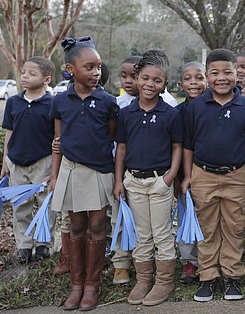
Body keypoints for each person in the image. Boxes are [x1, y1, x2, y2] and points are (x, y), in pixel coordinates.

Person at [182, 49, 245, 302]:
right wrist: (187, 176)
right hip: (202, 175)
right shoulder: (196, 107)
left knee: (234, 227)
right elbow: (188, 145)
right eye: (215, 73)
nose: (222, 78)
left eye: (228, 72)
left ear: (237, 74)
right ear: (207, 76)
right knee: (207, 228)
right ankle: (208, 277)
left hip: (236, 176)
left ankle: (231, 277)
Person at [48, 36, 119, 311]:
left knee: (98, 226)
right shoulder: (60, 101)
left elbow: (111, 139)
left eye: (98, 67)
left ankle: (92, 285)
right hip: (71, 171)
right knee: (76, 226)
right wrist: (55, 177)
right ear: (70, 69)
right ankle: (76, 285)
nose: (96, 73)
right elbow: (58, 143)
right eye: (89, 67)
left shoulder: (108, 101)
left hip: (100, 172)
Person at [113, 50, 182, 306]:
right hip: (133, 181)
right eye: (145, 78)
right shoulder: (127, 113)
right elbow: (121, 148)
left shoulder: (170, 114)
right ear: (137, 78)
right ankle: (144, 279)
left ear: (164, 84)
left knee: (162, 233)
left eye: (157, 81)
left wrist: (170, 177)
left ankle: (164, 281)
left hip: (159, 181)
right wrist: (119, 181)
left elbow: (177, 146)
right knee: (142, 234)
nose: (150, 84)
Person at [0, 57, 56, 263]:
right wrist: (5, 161)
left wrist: (54, 169)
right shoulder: (13, 102)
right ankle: (24, 245)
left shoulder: (52, 104)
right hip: (17, 162)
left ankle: (43, 244)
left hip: (43, 162)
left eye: (32, 74)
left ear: (46, 79)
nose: (25, 76)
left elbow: (57, 137)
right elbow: (9, 132)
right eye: (24, 72)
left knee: (45, 205)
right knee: (20, 205)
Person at [174, 61, 207, 284]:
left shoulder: (213, 107)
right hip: (183, 175)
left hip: (209, 173)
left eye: (199, 77)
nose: (193, 82)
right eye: (188, 78)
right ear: (180, 84)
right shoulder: (177, 112)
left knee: (208, 219)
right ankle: (188, 261)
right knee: (186, 216)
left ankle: (207, 260)